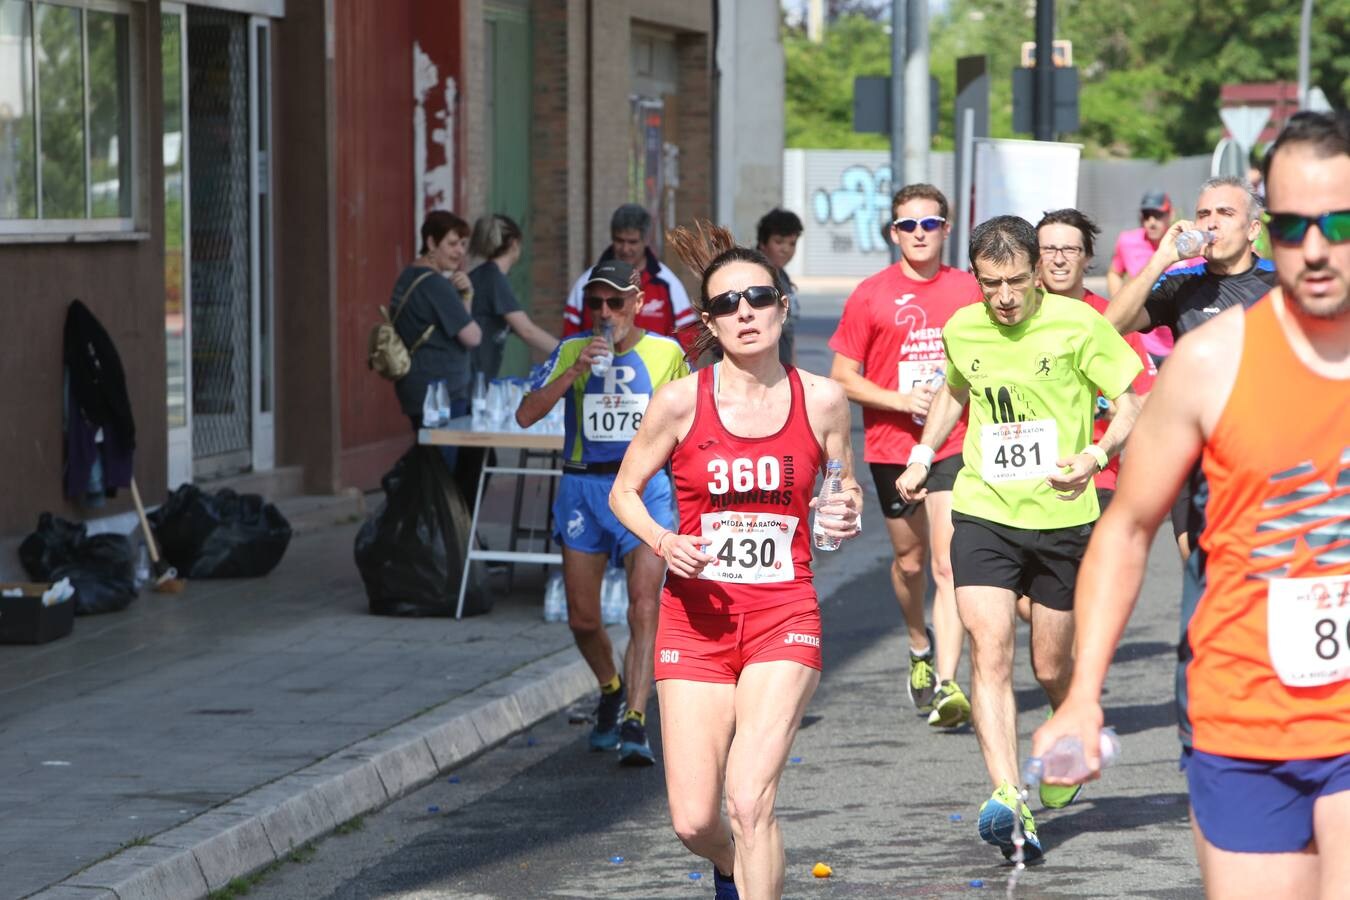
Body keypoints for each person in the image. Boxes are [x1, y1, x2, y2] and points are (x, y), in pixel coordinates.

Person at [1034, 110, 1350, 898]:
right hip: (1241, 716)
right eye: (1293, 226)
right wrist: (1081, 696)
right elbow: (1127, 527)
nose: (1314, 248)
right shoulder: (1210, 362)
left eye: (1338, 223)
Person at [610, 221, 862, 900]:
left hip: (784, 617)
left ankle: (752, 871)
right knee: (695, 818)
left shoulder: (824, 400)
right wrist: (663, 542)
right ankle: (727, 868)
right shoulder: (680, 402)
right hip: (695, 623)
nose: (744, 313)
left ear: (782, 305)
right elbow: (624, 493)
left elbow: (841, 491)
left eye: (757, 297)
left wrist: (844, 510)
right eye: (727, 304)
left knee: (750, 801)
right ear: (710, 322)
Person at [896, 215, 1143, 861]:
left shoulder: (1079, 324)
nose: (1002, 298)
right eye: (988, 284)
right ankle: (1009, 797)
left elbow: (1130, 404)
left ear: (1037, 271)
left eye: (1013, 282)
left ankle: (1072, 725)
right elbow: (955, 391)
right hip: (983, 510)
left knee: (1050, 666)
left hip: (1063, 519)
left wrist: (1095, 453)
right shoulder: (962, 326)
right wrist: (924, 452)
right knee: (992, 650)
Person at [516, 259, 688, 767]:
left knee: (643, 605)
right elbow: (525, 414)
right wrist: (574, 371)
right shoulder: (571, 350)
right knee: (584, 618)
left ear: (638, 302)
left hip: (643, 488)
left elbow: (693, 417)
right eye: (597, 303)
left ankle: (635, 719)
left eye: (616, 301)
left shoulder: (665, 353)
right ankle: (611, 689)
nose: (606, 312)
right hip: (583, 488)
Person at [828, 184, 979, 728]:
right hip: (892, 446)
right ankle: (918, 641)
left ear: (946, 228)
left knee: (945, 561)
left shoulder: (969, 289)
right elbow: (842, 378)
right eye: (908, 225)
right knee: (911, 562)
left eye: (930, 224)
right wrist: (898, 399)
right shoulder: (871, 295)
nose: (919, 234)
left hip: (955, 441)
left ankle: (947, 683)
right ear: (893, 232)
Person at [1104, 176, 1276, 561]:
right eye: (1203, 214)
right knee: (1201, 571)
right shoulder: (1180, 283)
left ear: (1252, 229)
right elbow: (1111, 324)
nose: (1211, 223)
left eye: (1225, 213)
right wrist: (1161, 259)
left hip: (1264, 454)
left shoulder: (1279, 285)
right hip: (1194, 456)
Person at [391, 210, 481, 470]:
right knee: (447, 471)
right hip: (442, 395)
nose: (459, 251)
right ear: (431, 242)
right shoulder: (436, 286)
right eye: (452, 244)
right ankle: (444, 512)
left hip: (417, 388)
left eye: (463, 245)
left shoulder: (408, 277)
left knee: (433, 467)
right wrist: (467, 296)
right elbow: (472, 336)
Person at [562, 203, 697, 344]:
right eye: (619, 241)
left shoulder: (668, 284)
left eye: (632, 242)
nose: (625, 249)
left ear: (646, 240)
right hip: (598, 364)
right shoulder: (587, 282)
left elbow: (688, 342)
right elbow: (569, 340)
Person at [467, 213, 559, 381]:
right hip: (473, 379)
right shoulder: (494, 279)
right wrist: (567, 352)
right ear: (514, 243)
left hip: (475, 376)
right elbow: (527, 331)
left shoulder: (483, 276)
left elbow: (519, 328)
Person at [1107, 190, 1183, 364]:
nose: (1151, 222)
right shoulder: (1128, 241)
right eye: (1146, 216)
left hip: (1180, 342)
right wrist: (1122, 303)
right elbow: (1114, 273)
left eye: (1158, 215)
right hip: (1144, 341)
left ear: (1171, 214)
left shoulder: (1187, 246)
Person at [755, 208, 804, 366]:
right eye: (778, 242)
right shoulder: (754, 274)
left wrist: (794, 370)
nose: (786, 249)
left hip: (783, 367)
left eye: (792, 243)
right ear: (763, 242)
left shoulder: (782, 276)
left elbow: (789, 332)